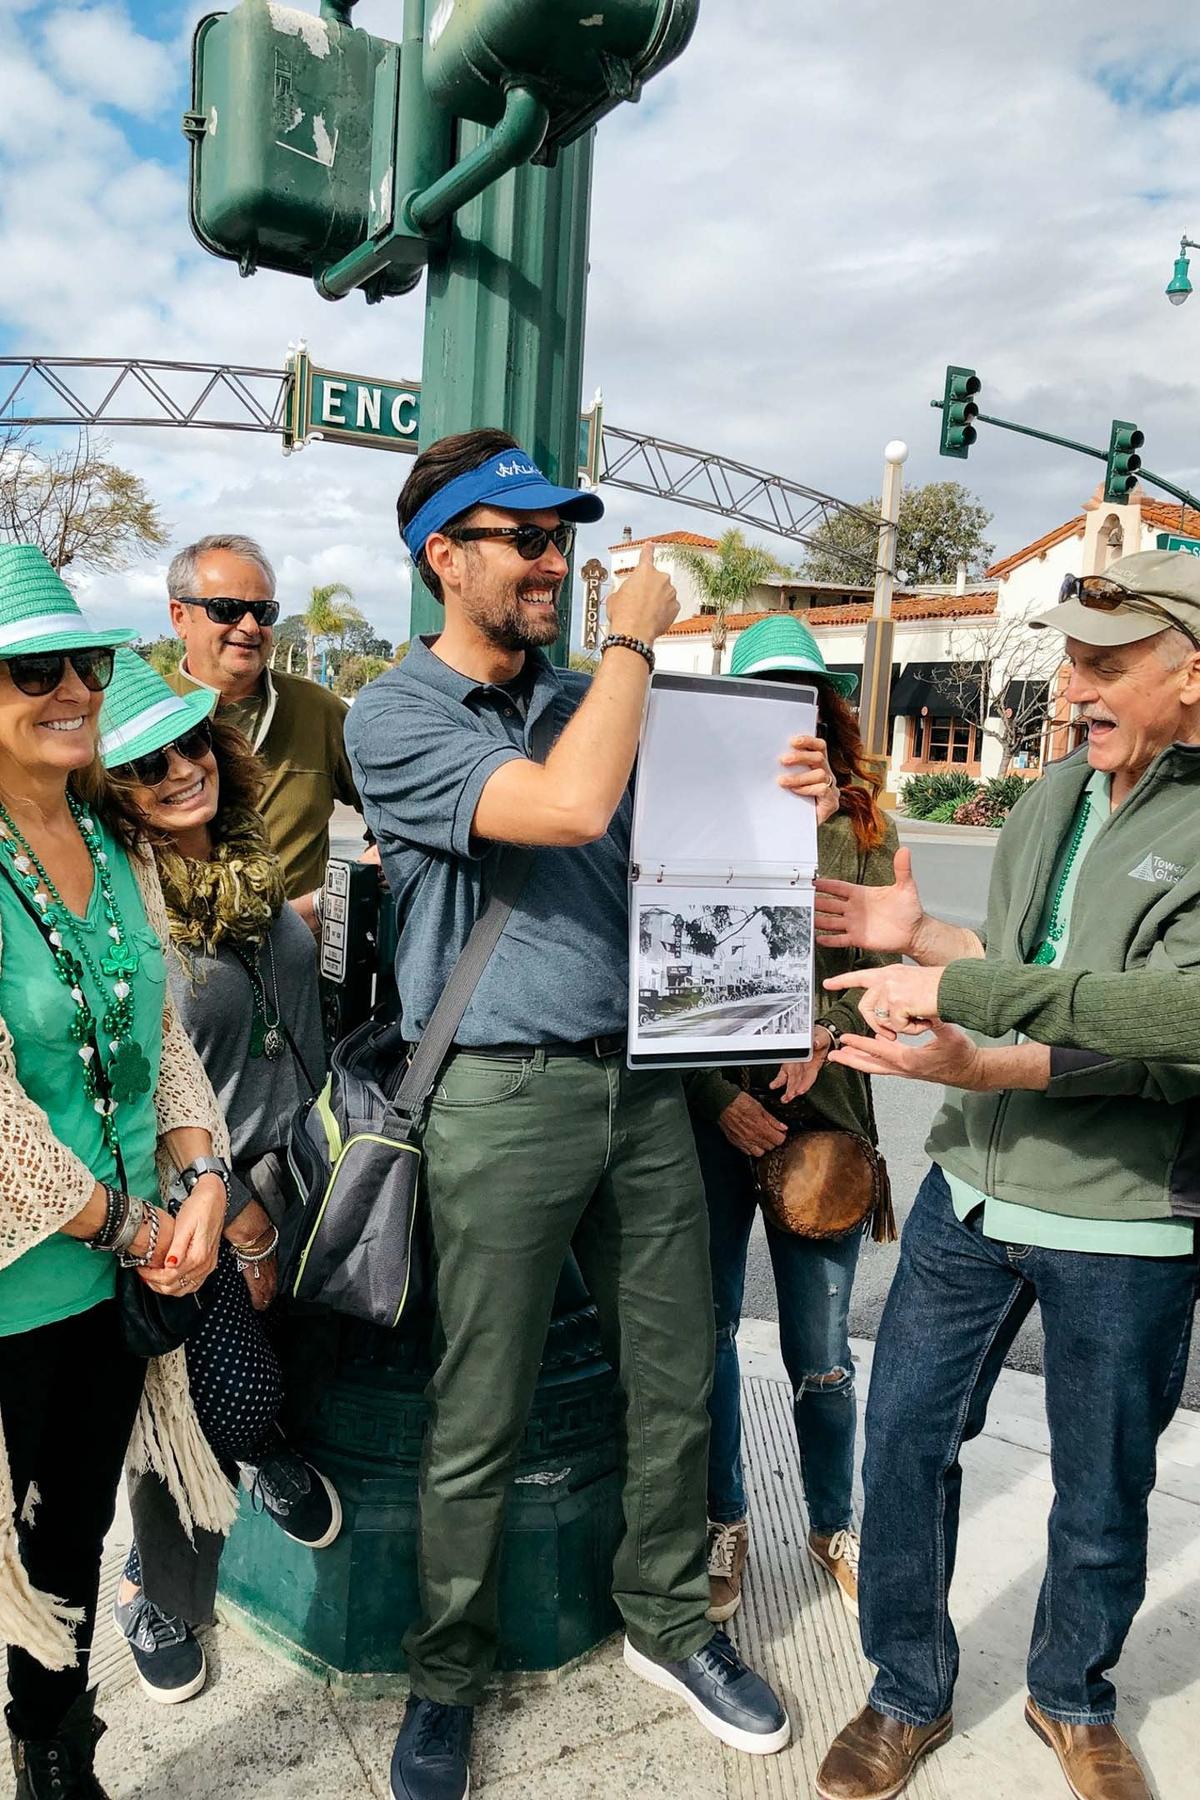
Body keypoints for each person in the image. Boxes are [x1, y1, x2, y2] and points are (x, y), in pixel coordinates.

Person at [346, 430, 828, 1800]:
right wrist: (633, 644)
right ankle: (448, 1676)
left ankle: (671, 1624)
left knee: (676, 1377)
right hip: (498, 1095)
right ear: (443, 556)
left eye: (562, 538)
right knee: (480, 1406)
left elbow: (698, 853)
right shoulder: (397, 716)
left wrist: (789, 792)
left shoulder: (589, 695)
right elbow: (565, 808)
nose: (555, 562)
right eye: (525, 539)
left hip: (645, 1084)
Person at [813, 550, 1200, 1800]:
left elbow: (1170, 1028)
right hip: (969, 1195)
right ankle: (905, 1690)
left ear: (1191, 675)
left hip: (1127, 1222)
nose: (1072, 686)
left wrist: (982, 1038)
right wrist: (922, 936)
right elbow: (1027, 962)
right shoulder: (1053, 796)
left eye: (1105, 663)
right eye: (1070, 658)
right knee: (901, 1443)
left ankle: (1071, 1695)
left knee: (1101, 1488)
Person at [0, 546, 235, 1799]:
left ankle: (53, 1756)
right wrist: (143, 1225)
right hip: (21, 1282)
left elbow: (166, 1043)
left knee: (70, 1539)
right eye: (33, 670)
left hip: (112, 1285)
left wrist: (203, 1180)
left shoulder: (111, 836)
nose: (75, 689)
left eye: (86, 661)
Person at [95, 650, 340, 1705]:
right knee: (196, 1401)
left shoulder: (246, 864)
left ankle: (267, 1452)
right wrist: (239, 1223)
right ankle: (153, 1588)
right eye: (147, 765)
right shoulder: (124, 907)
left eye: (192, 743)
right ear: (112, 791)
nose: (181, 769)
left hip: (306, 1167)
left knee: (280, 1373)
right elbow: (148, 1090)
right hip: (205, 1199)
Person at [685, 616, 899, 1626]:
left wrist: (826, 1029)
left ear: (826, 706)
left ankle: (832, 1522)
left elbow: (889, 979)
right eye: (763, 692)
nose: (786, 711)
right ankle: (724, 1518)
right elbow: (661, 979)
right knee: (710, 1334)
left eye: (803, 692)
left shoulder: (864, 828)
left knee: (821, 1350)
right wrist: (714, 1096)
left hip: (824, 1125)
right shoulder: (693, 819)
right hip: (717, 1117)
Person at [163, 533, 364, 928]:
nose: (250, 626)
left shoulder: (318, 712)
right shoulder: (141, 719)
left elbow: (400, 809)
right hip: (172, 959)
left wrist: (367, 875)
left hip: (301, 958)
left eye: (263, 611)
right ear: (179, 617)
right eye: (226, 609)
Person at [824, 952, 1200, 1062]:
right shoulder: (1046, 799)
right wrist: (923, 936)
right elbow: (1011, 948)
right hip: (961, 1180)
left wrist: (962, 988)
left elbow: (1182, 1015)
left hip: (1124, 1196)